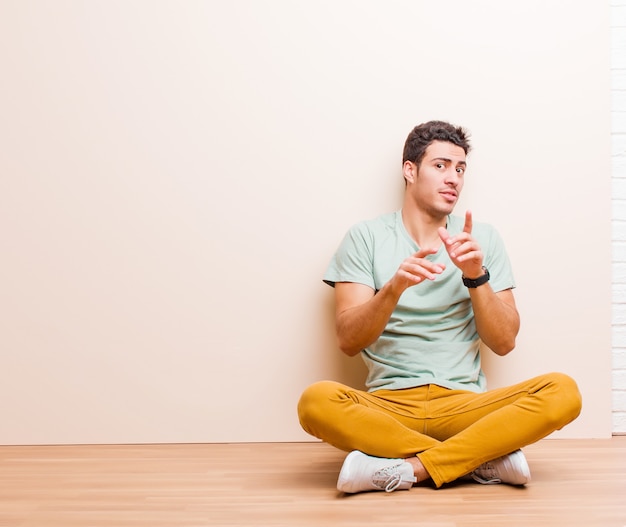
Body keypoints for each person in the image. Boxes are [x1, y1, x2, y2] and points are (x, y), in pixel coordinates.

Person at [297, 120, 582, 494]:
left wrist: (476, 276)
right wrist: (393, 289)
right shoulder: (364, 237)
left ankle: (409, 469)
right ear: (409, 170)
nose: (454, 178)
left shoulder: (483, 239)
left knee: (563, 392)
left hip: (464, 407)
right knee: (315, 402)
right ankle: (479, 460)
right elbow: (349, 340)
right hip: (389, 407)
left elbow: (504, 341)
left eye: (460, 169)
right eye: (441, 165)